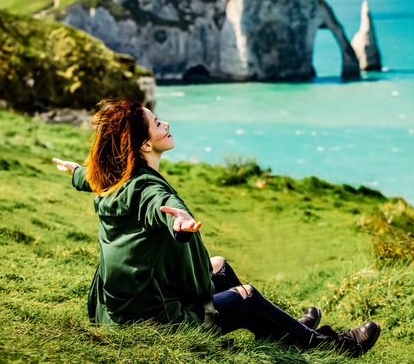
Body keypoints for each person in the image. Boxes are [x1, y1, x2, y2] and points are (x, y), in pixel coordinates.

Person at [53, 98, 381, 357]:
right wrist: (178, 222)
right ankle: (332, 345)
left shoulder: (111, 180)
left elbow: (90, 178)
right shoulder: (146, 188)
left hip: (117, 309)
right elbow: (161, 206)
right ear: (145, 145)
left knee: (220, 267)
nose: (165, 124)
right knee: (247, 297)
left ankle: (291, 329)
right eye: (156, 123)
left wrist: (75, 171)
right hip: (155, 318)